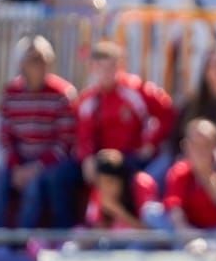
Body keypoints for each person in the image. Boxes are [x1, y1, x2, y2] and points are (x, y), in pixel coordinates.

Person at [0, 35, 81, 229]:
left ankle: (24, 243)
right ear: (22, 64)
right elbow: (4, 135)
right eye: (33, 60)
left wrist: (36, 167)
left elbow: (65, 142)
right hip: (19, 161)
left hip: (47, 163)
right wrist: (15, 166)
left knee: (34, 188)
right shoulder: (11, 93)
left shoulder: (62, 93)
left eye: (43, 60)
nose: (39, 65)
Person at [75, 41, 175, 185]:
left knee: (112, 173)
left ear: (119, 67)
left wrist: (151, 143)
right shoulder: (88, 99)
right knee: (59, 177)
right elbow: (84, 135)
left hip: (132, 155)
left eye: (111, 67)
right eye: (101, 68)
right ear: (92, 68)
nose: (106, 73)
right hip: (102, 157)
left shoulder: (136, 90)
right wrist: (87, 158)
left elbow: (167, 112)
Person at [162, 119, 216, 232]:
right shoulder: (180, 170)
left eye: (207, 145)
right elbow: (174, 208)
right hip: (192, 232)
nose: (201, 151)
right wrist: (187, 234)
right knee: (153, 213)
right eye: (196, 145)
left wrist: (209, 178)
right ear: (186, 146)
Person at [83, 149, 159, 231]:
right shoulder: (99, 191)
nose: (106, 188)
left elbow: (151, 234)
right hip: (113, 241)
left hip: (142, 241)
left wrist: (117, 210)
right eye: (101, 182)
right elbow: (96, 232)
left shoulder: (141, 184)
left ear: (122, 179)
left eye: (110, 181)